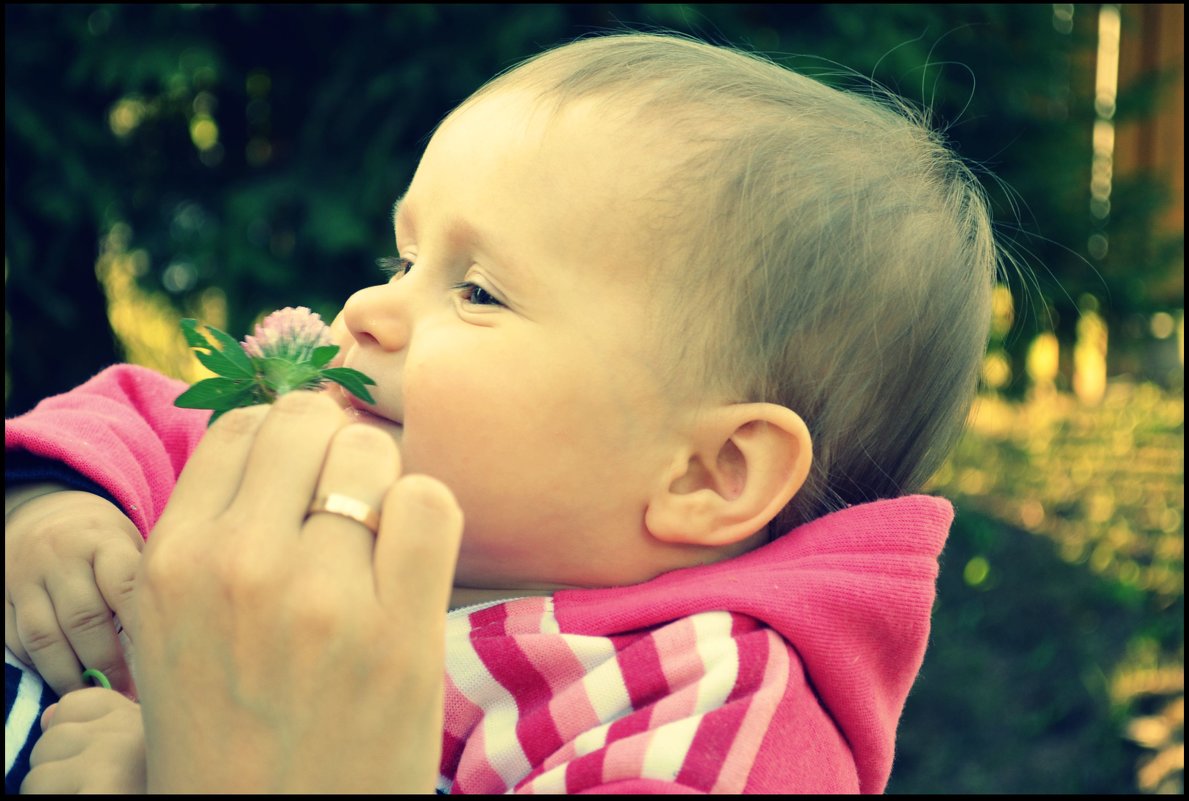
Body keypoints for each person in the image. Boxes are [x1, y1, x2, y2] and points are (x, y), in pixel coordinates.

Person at [5, 31, 1000, 793]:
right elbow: (144, 419)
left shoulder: (715, 717)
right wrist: (55, 508)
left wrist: (186, 770)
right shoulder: (328, 466)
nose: (368, 310)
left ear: (706, 474)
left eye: (476, 290)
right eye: (403, 262)